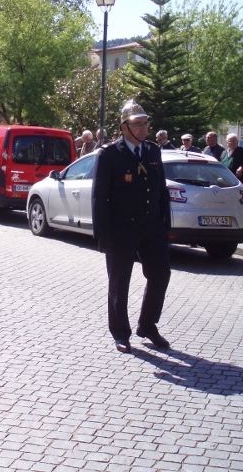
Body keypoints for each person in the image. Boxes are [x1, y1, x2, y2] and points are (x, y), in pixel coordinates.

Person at [91, 99, 171, 354]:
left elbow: (161, 188)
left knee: (161, 274)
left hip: (151, 225)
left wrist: (165, 223)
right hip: (121, 228)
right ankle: (120, 332)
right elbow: (99, 197)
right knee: (119, 281)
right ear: (124, 127)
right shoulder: (109, 154)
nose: (143, 128)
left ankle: (147, 324)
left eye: (145, 123)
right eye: (137, 124)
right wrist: (102, 234)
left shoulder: (152, 151)